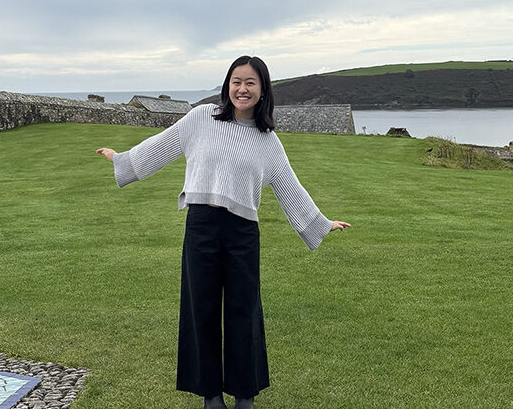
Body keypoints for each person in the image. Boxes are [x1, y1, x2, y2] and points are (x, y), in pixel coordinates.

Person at [96, 55, 350, 409]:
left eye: (250, 83)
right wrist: (121, 160)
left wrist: (321, 223)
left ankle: (244, 393)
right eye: (236, 81)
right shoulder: (202, 118)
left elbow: (290, 187)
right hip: (201, 226)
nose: (241, 89)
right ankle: (210, 394)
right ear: (226, 86)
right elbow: (160, 146)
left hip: (243, 233)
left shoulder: (268, 141)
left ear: (262, 91)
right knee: (200, 309)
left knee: (243, 312)